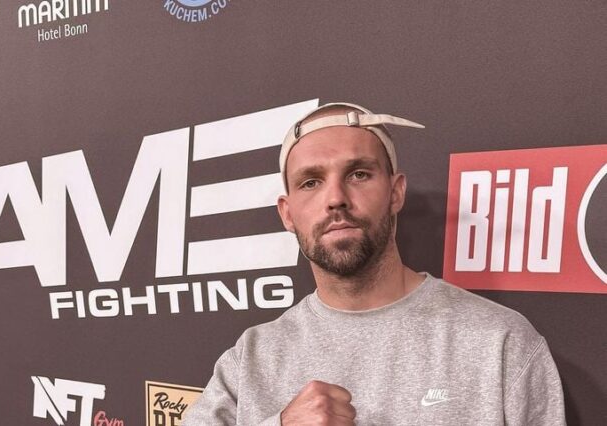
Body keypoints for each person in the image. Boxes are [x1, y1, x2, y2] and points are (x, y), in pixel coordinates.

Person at [183, 102, 566, 425]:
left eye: (358, 174)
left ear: (396, 192)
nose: (335, 198)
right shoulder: (252, 358)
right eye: (311, 182)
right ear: (287, 213)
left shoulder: (500, 343)